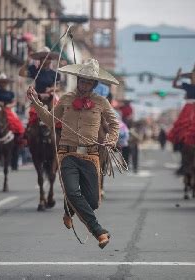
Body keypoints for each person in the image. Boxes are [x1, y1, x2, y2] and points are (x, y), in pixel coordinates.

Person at [27, 58, 120, 249]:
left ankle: (69, 210)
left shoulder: (102, 102)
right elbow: (50, 119)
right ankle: (99, 231)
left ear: (94, 84)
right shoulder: (66, 99)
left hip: (91, 156)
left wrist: (111, 138)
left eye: (88, 81)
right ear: (78, 80)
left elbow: (114, 124)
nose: (84, 84)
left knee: (92, 202)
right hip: (67, 154)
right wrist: (36, 102)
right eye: (82, 80)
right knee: (71, 191)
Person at [19, 47, 61, 130]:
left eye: (48, 58)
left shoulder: (55, 74)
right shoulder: (34, 70)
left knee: (56, 112)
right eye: (44, 58)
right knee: (33, 116)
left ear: (50, 60)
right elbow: (21, 73)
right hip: (37, 96)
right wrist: (26, 63)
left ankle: (57, 129)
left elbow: (58, 88)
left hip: (50, 97)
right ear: (40, 60)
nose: (46, 60)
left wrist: (51, 89)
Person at [167, 68, 195, 144]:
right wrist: (177, 76)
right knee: (183, 124)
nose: (193, 79)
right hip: (188, 107)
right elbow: (174, 85)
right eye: (191, 78)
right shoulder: (187, 86)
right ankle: (181, 142)